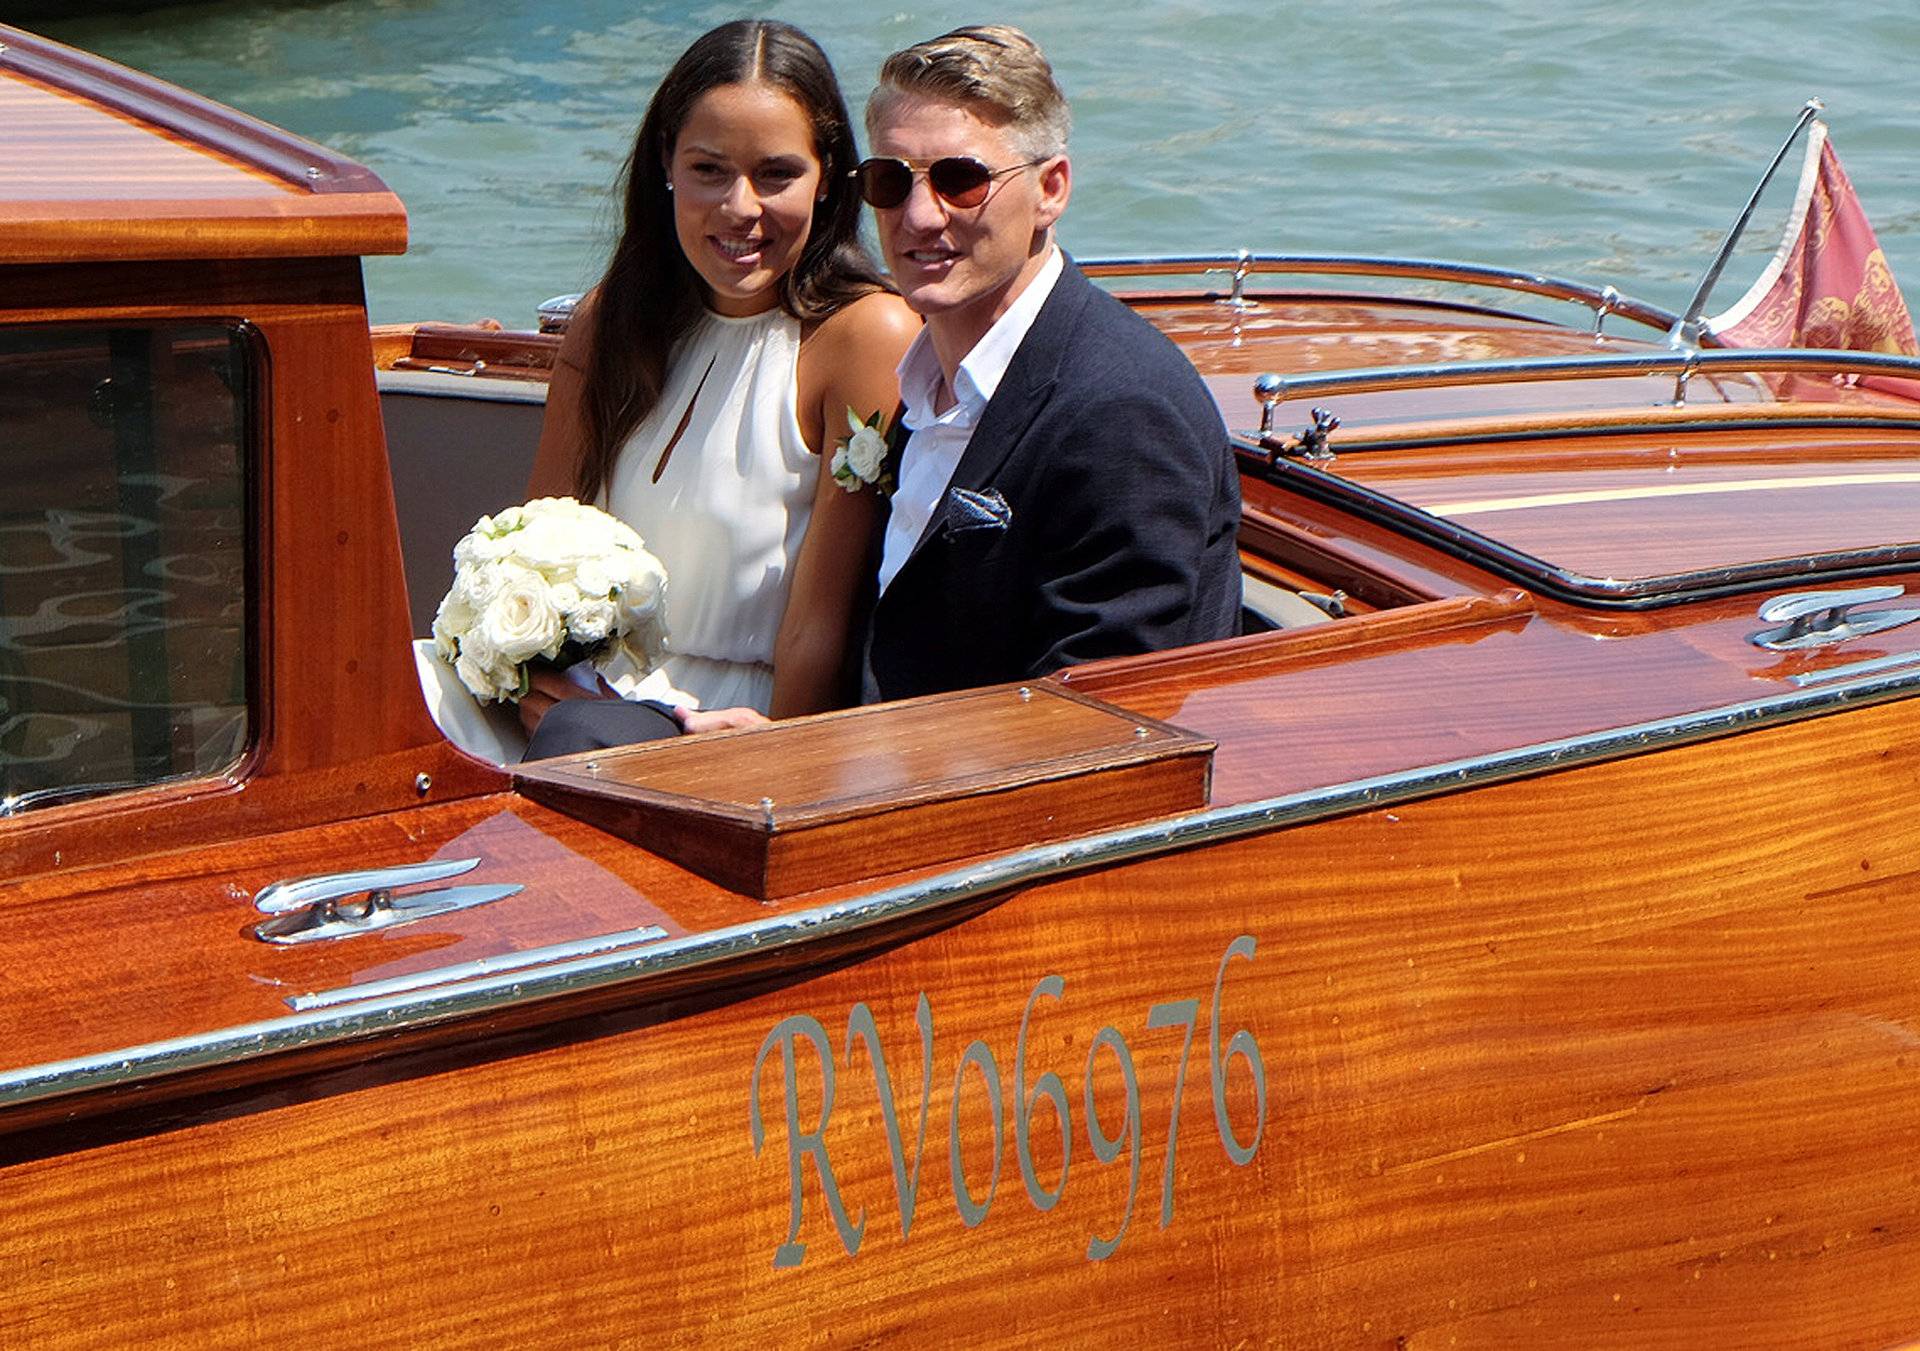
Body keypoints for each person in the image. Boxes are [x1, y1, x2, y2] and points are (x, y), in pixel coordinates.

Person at [520, 20, 919, 758]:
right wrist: (530, 679)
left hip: (731, 730)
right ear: (666, 163)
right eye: (709, 170)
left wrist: (781, 772)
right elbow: (536, 544)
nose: (741, 207)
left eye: (776, 173)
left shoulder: (866, 338)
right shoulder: (610, 319)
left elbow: (817, 627)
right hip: (576, 711)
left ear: (828, 176)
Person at [856, 25, 1243, 703]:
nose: (918, 215)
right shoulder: (921, 387)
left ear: (1052, 189)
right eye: (890, 180)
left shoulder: (1122, 414)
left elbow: (1094, 717)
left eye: (961, 180)